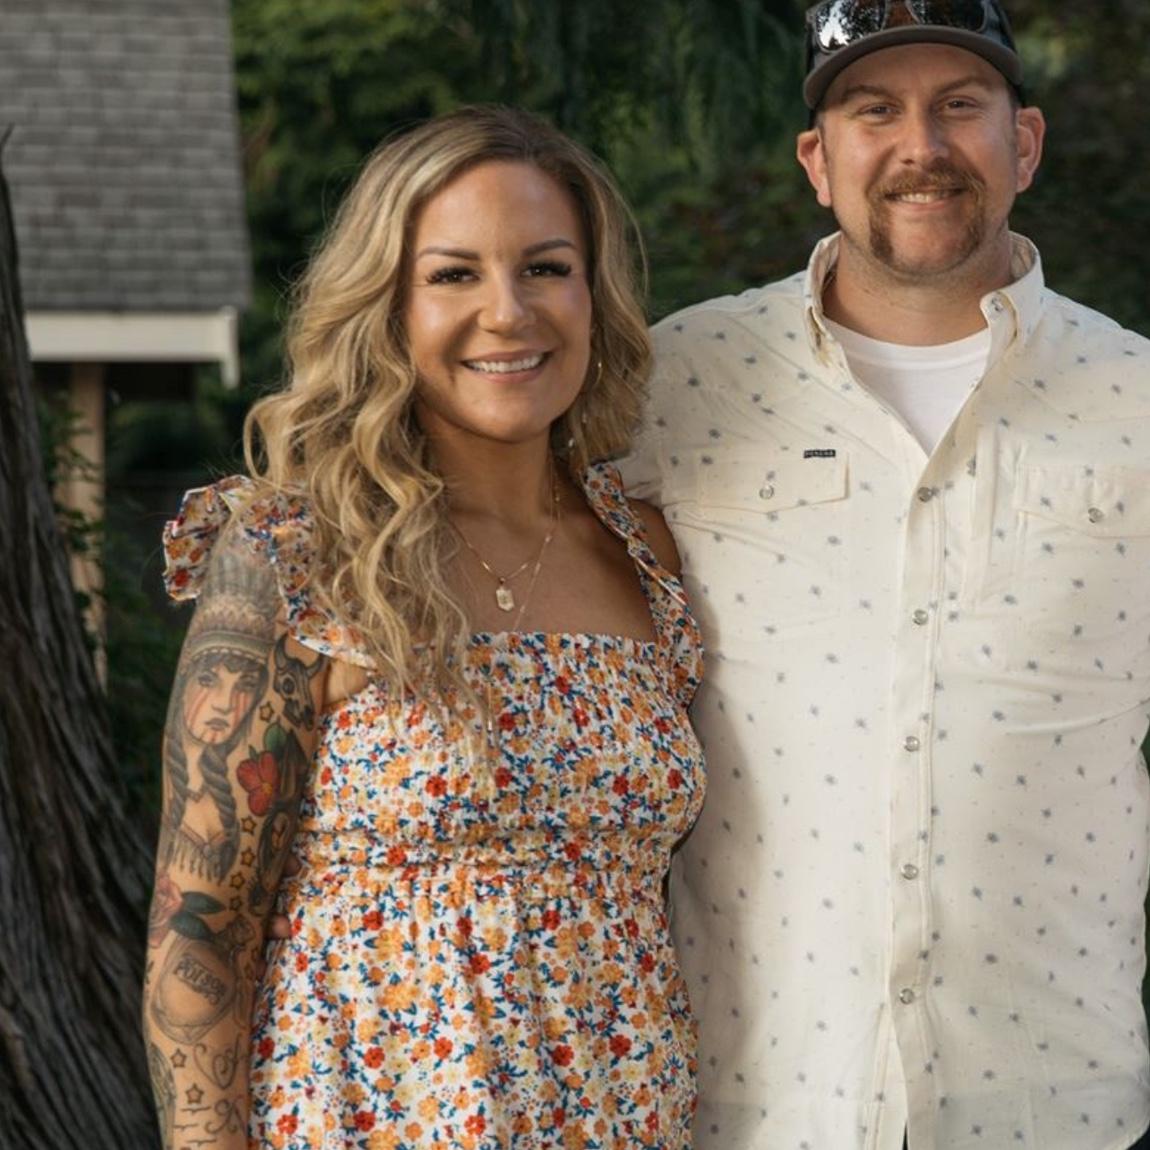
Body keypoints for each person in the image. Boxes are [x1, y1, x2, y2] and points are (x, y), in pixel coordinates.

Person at [622, 1, 1150, 1148]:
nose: (922, 145)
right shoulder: (679, 383)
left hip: (1053, 1106)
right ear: (818, 160)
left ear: (1026, 143)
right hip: (761, 1103)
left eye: (960, 105)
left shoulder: (1138, 402)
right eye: (875, 110)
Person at [142, 105, 704, 1150]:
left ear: (593, 294)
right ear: (386, 305)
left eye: (545, 267)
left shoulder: (651, 557)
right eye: (453, 274)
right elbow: (202, 925)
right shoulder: (293, 553)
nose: (507, 311)